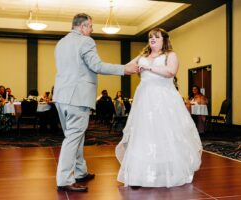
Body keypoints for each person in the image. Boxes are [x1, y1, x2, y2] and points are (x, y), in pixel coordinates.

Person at [53, 13, 138, 192]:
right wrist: (124, 69)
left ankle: (80, 171)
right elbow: (97, 66)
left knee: (75, 136)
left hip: (61, 97)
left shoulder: (61, 43)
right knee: (73, 138)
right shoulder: (86, 41)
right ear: (82, 26)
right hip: (78, 97)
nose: (92, 30)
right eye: (90, 26)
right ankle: (64, 180)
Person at [115, 28, 202, 188]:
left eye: (156, 36)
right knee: (144, 132)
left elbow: (170, 72)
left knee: (164, 131)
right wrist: (135, 66)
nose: (152, 39)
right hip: (144, 98)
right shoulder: (142, 56)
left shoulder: (171, 55)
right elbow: (127, 67)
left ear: (164, 40)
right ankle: (139, 174)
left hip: (164, 98)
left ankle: (168, 171)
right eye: (150, 37)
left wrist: (148, 68)